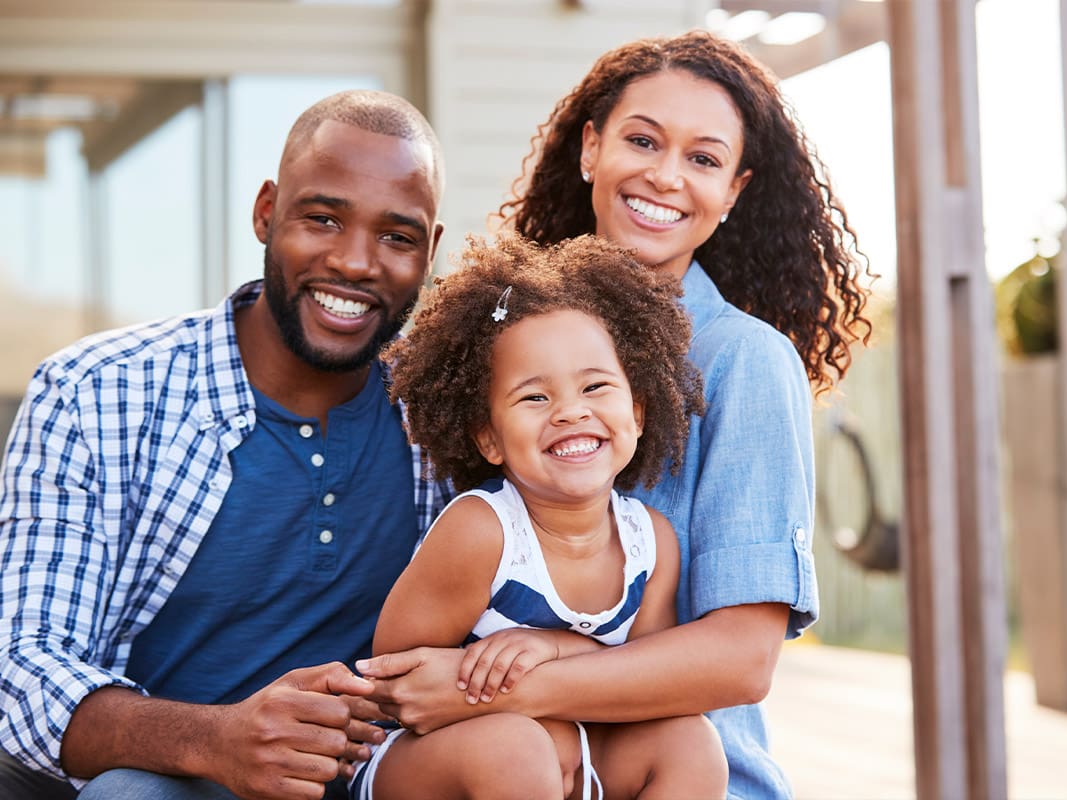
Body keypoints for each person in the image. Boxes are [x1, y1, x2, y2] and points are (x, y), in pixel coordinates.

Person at [358, 30, 873, 799]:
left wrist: (503, 681)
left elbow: (741, 658)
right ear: (591, 148)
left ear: (733, 190)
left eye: (703, 159)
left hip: (679, 771)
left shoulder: (744, 362)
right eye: (642, 140)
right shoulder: (504, 333)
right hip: (495, 763)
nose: (666, 177)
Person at [0, 89, 451, 800]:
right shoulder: (95, 394)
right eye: (323, 218)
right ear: (266, 211)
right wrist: (217, 741)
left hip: (373, 779)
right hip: (166, 777)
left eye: (397, 237)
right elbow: (20, 670)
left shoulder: (446, 421)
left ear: (431, 251)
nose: (357, 262)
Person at [348, 233, 724, 800]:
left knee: (690, 741)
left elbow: (645, 684)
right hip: (434, 765)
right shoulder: (483, 532)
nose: (572, 411)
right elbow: (396, 681)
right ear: (489, 438)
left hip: (577, 757)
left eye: (596, 386)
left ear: (638, 412)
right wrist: (513, 703)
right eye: (534, 398)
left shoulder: (652, 543)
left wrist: (555, 649)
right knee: (516, 750)